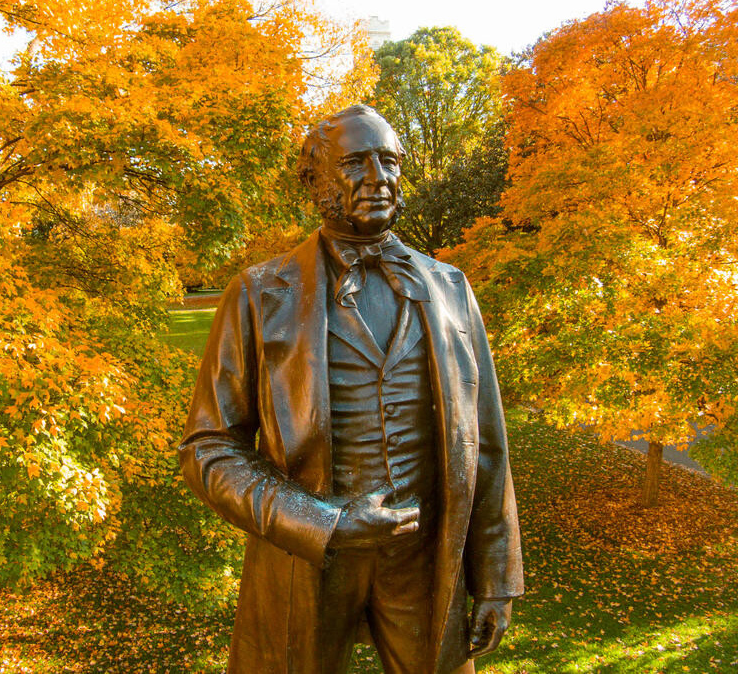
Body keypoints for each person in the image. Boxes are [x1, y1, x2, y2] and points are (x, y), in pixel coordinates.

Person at [179, 105, 523, 674]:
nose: (379, 179)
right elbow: (208, 448)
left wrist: (495, 577)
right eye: (356, 164)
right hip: (303, 558)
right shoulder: (260, 294)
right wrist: (324, 522)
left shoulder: (450, 288)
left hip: (425, 557)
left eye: (389, 162)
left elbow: (484, 439)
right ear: (315, 179)